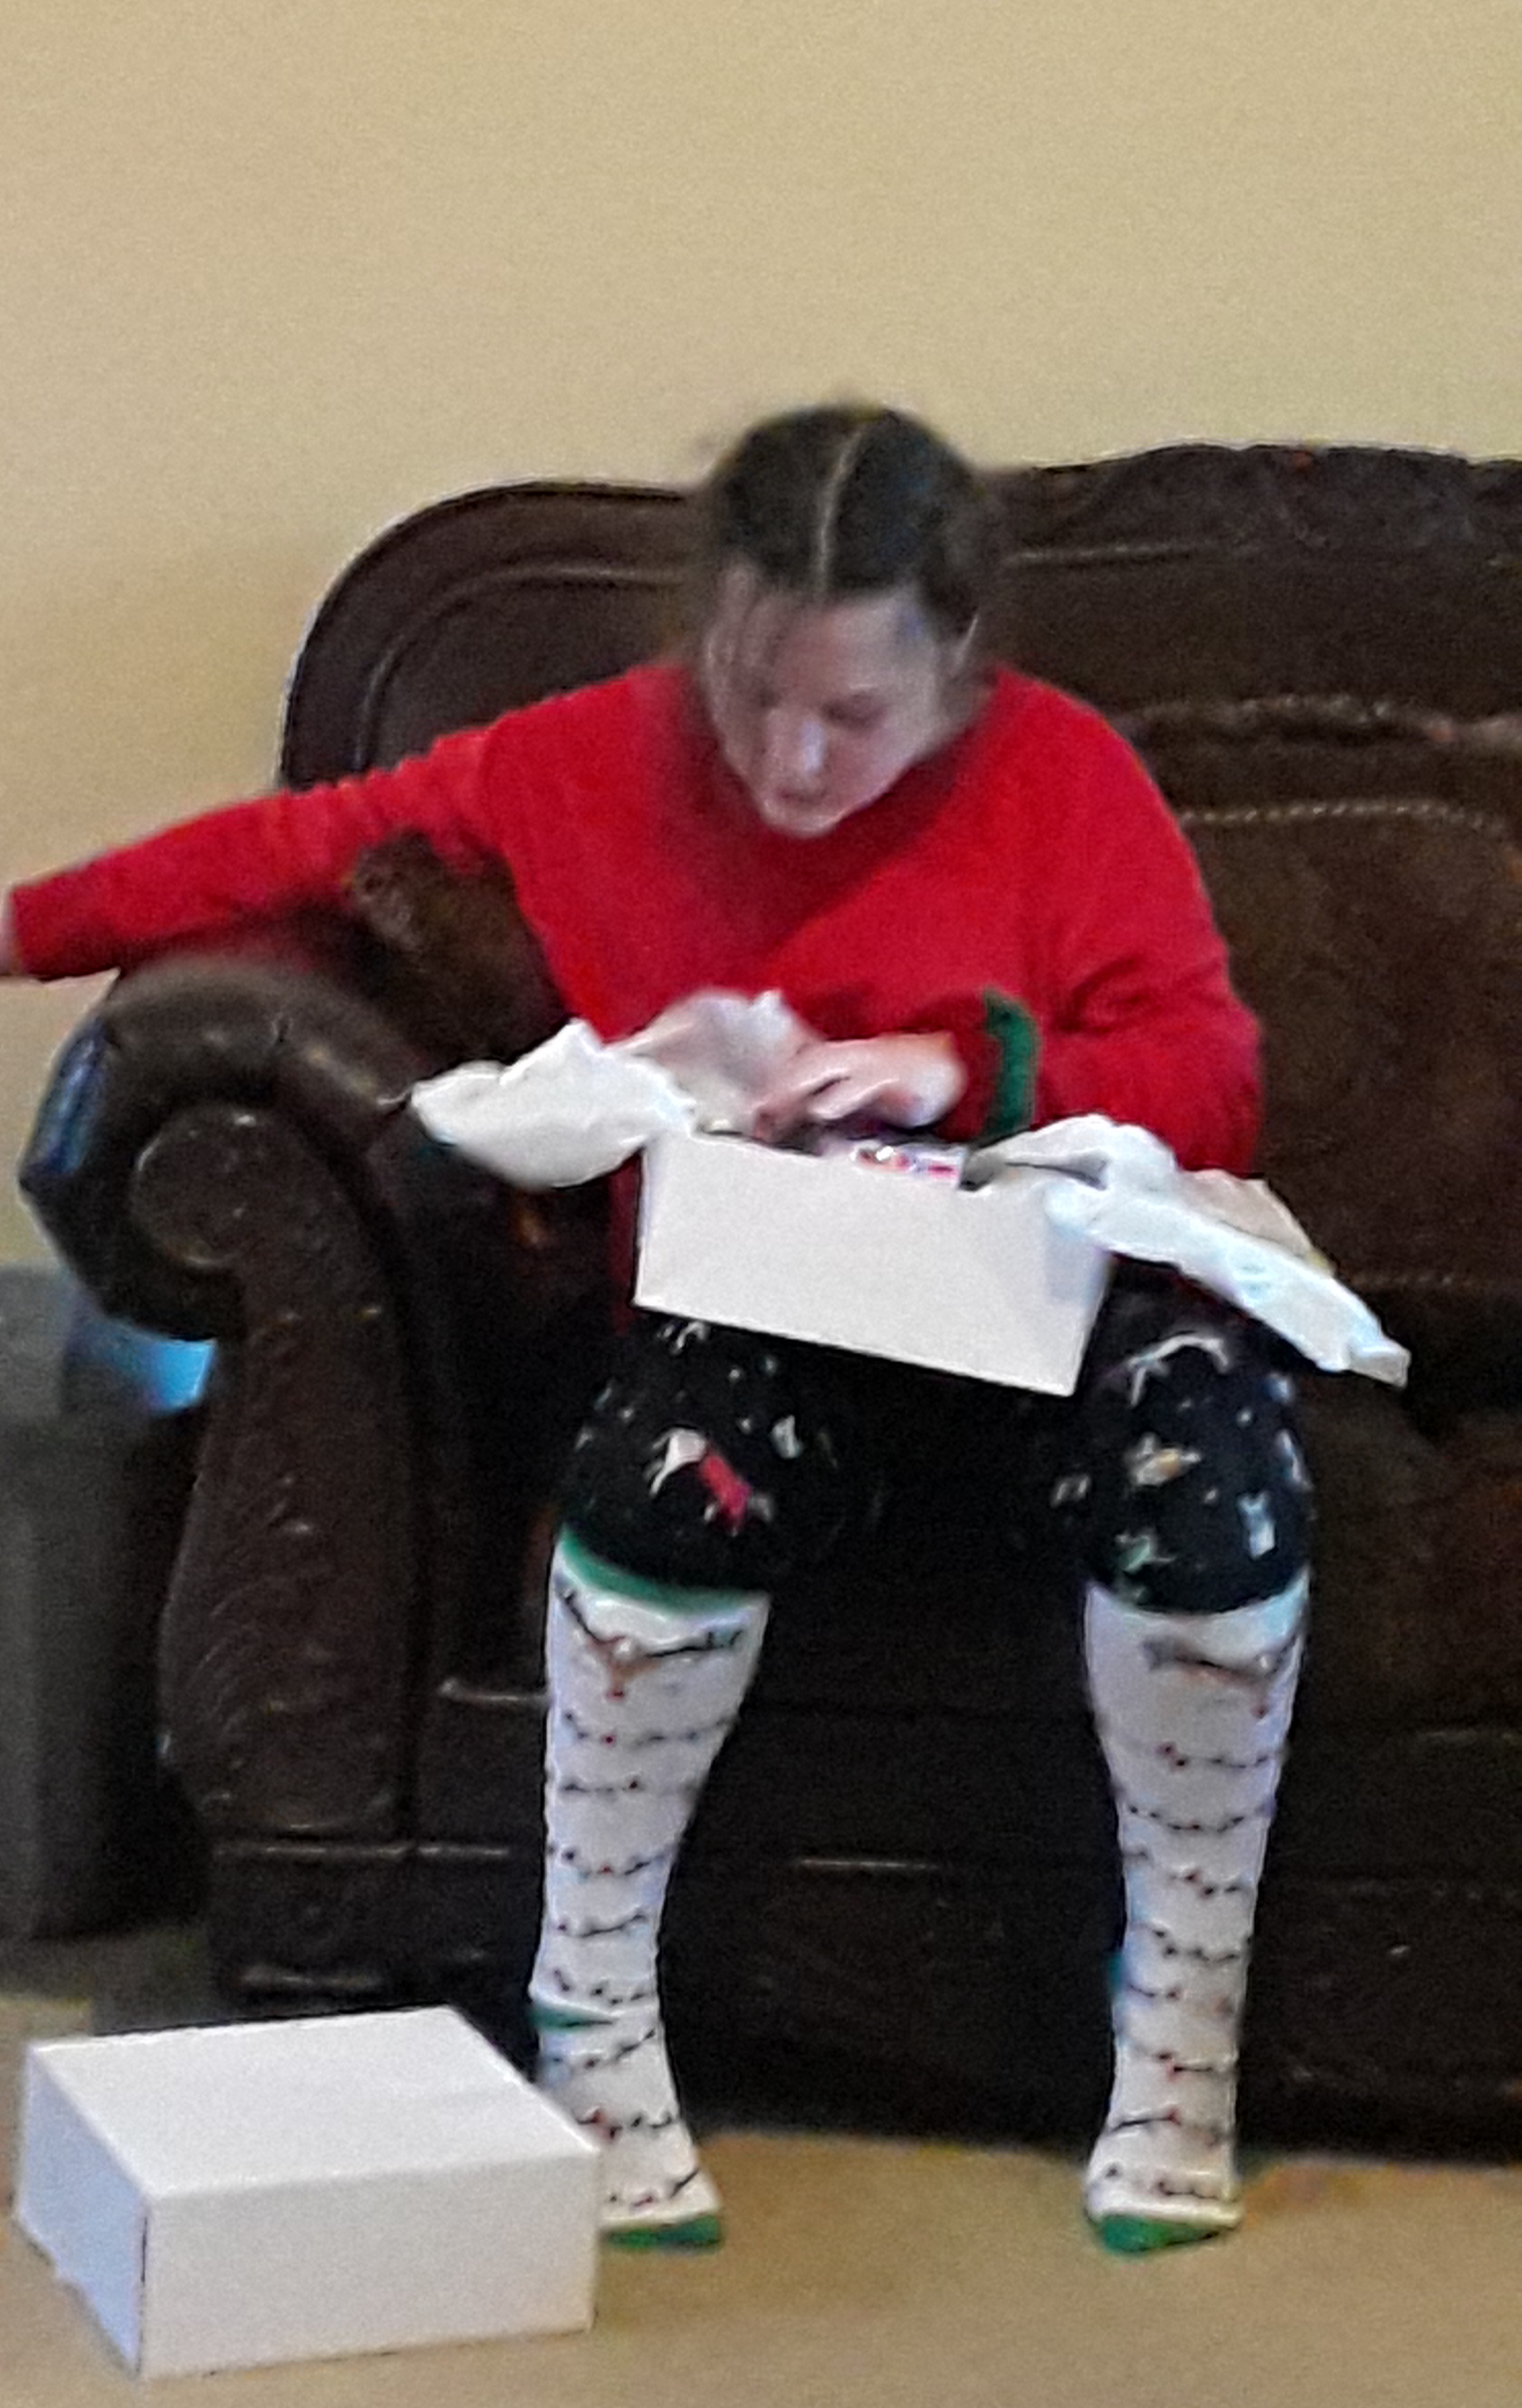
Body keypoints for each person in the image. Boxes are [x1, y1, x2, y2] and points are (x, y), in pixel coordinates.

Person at [1, 404, 1310, 2257]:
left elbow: (1212, 1077)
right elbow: (282, 856)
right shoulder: (583, 761)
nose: (790, 758)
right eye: (750, 690)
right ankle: (592, 2009)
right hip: (762, 1322)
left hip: (1041, 1318)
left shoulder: (1066, 777)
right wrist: (19, 927)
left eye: (853, 714)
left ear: (955, 667)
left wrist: (959, 1070)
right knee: (659, 1463)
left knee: (1220, 1473)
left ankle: (1177, 2026)